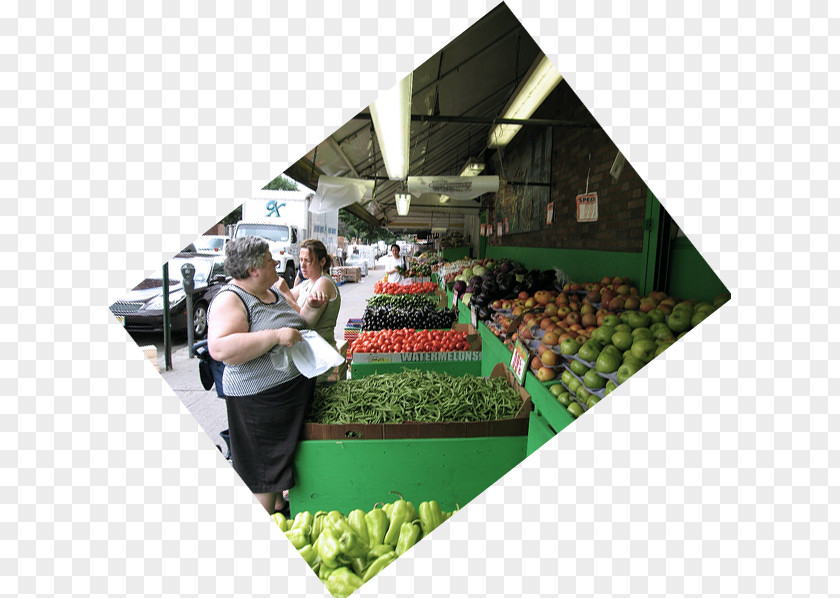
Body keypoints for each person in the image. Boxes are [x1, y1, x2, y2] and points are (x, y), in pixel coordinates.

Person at [207, 236, 328, 516]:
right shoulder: (231, 299)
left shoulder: (272, 291)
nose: (276, 262)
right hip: (258, 402)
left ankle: (276, 506)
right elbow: (221, 347)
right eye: (268, 259)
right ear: (253, 270)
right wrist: (274, 336)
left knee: (273, 471)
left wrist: (312, 306)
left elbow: (298, 326)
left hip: (286, 396)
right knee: (262, 472)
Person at [274, 239, 342, 353]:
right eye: (301, 260)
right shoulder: (307, 283)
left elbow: (304, 322)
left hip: (321, 353)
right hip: (310, 352)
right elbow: (287, 297)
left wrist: (285, 293)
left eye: (308, 261)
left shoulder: (323, 283)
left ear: (322, 261)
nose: (302, 265)